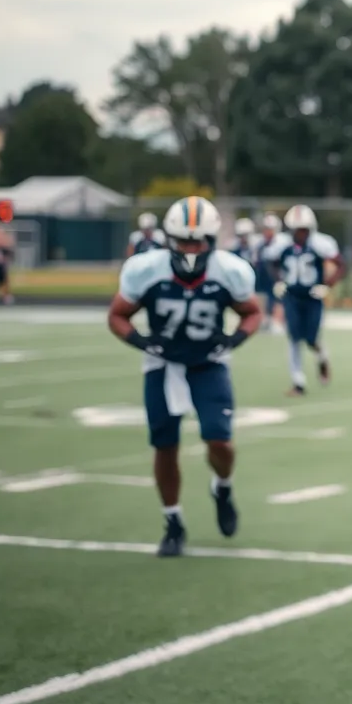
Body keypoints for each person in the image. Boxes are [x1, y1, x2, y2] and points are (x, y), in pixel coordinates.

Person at [106, 196, 261, 557]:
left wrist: (234, 338)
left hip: (209, 361)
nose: (190, 249)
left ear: (211, 241)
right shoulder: (145, 268)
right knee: (165, 446)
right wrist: (142, 341)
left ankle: (222, 486)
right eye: (183, 241)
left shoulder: (230, 270)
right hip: (163, 364)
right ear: (169, 239)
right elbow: (117, 315)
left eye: (198, 241)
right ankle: (173, 521)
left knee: (219, 440)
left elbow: (252, 312)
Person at [264, 205, 344, 396]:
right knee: (293, 338)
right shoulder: (282, 244)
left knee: (311, 339)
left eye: (303, 229)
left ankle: (322, 357)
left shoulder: (320, 243)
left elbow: (340, 265)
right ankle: (298, 382)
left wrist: (327, 285)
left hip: (313, 297)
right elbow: (270, 261)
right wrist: (278, 281)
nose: (300, 234)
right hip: (291, 296)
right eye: (296, 229)